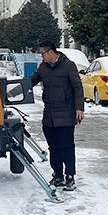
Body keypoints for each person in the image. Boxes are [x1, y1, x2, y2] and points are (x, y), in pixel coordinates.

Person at [29, 39, 85, 191]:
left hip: (66, 114)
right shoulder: (43, 67)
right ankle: (58, 175)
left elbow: (77, 88)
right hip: (49, 115)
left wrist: (79, 108)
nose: (41, 56)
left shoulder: (68, 66)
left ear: (50, 52)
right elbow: (31, 82)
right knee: (53, 147)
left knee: (66, 147)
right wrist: (11, 92)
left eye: (42, 53)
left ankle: (70, 176)